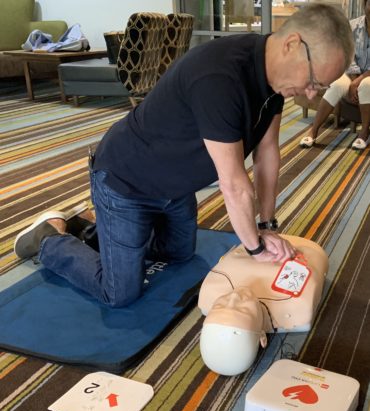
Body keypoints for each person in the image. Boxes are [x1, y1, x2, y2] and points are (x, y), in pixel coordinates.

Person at [14, 4, 353, 308]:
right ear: (292, 44)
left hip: (173, 189)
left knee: (179, 253)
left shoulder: (274, 79)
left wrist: (266, 224)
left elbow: (267, 154)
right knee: (119, 292)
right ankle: (49, 238)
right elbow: (233, 184)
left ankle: (90, 228)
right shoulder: (221, 76)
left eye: (320, 88)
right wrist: (255, 248)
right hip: (125, 181)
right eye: (313, 81)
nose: (311, 93)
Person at [300, 0, 370, 151]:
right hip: (352, 72)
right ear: (365, 5)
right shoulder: (352, 26)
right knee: (337, 84)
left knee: (366, 85)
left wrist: (358, 80)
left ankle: (364, 132)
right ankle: (313, 131)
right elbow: (347, 55)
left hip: (367, 76)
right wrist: (352, 78)